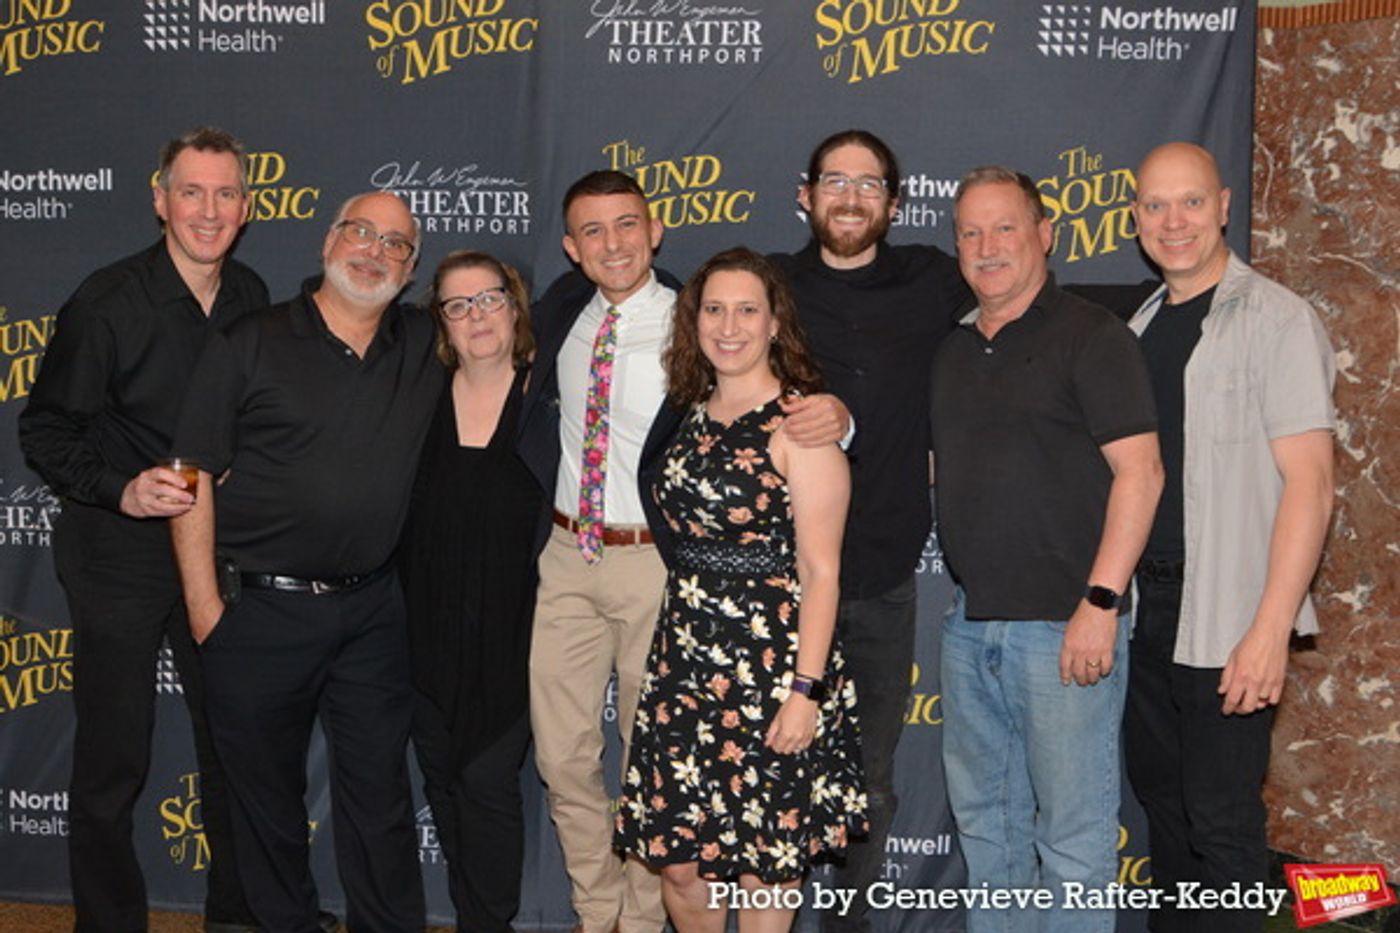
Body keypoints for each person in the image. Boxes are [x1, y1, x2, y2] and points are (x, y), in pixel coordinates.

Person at [169, 191, 440, 932]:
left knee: (381, 799)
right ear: (328, 242)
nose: (374, 251)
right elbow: (190, 472)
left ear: (411, 269)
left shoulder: (425, 343)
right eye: (361, 232)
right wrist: (204, 609)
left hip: (372, 613)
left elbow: (510, 334)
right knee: (266, 810)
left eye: (395, 244)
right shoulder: (250, 341)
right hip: (257, 611)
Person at [18, 126, 262, 933]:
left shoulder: (251, 295)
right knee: (112, 758)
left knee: (233, 741)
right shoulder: (107, 301)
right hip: (117, 553)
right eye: (191, 192)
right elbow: (44, 429)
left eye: (225, 193)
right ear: (160, 201)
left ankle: (237, 914)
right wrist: (120, 490)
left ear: (247, 207)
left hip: (216, 553)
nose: (208, 210)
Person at [929, 166, 1162, 932]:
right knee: (989, 835)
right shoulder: (953, 349)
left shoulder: (1092, 336)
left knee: (1073, 842)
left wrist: (1101, 601)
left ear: (1044, 235)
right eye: (970, 232)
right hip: (972, 626)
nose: (987, 245)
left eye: (1005, 227)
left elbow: (1142, 472)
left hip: (1067, 626)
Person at [614, 247, 868, 933]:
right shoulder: (688, 412)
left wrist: (805, 691)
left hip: (771, 671)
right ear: (694, 321)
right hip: (684, 666)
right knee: (679, 865)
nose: (729, 326)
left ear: (775, 322)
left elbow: (822, 571)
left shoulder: (801, 425)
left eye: (747, 310)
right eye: (714, 309)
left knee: (763, 864)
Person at [1122, 142, 1334, 933]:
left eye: (1190, 201)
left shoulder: (1278, 319)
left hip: (1229, 612)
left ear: (1223, 206)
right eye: (1156, 205)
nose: (1173, 220)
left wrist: (1271, 628)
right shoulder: (1140, 325)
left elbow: (1312, 483)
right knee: (1166, 815)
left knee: (1221, 823)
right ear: (1135, 218)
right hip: (1146, 612)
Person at [769, 131, 969, 930]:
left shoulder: (934, 279)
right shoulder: (769, 287)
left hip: (883, 576)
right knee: (770, 772)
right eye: (835, 181)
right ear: (805, 194)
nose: (850, 197)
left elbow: (1025, 299)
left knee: (870, 780)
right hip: (775, 586)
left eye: (869, 183)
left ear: (894, 202)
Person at [518, 169, 681, 933]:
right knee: (561, 753)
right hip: (566, 553)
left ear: (654, 231)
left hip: (656, 562)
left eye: (626, 224)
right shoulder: (559, 314)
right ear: (571, 247)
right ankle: (596, 905)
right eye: (593, 230)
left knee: (648, 756)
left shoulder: (696, 321)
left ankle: (642, 919)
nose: (612, 244)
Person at [398, 250, 543, 933]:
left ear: (515, 307)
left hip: (517, 633)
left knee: (486, 783)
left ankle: (489, 922)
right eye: (458, 305)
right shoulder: (416, 398)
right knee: (444, 782)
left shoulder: (548, 402)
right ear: (442, 322)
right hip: (424, 632)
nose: (476, 316)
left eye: (489, 299)